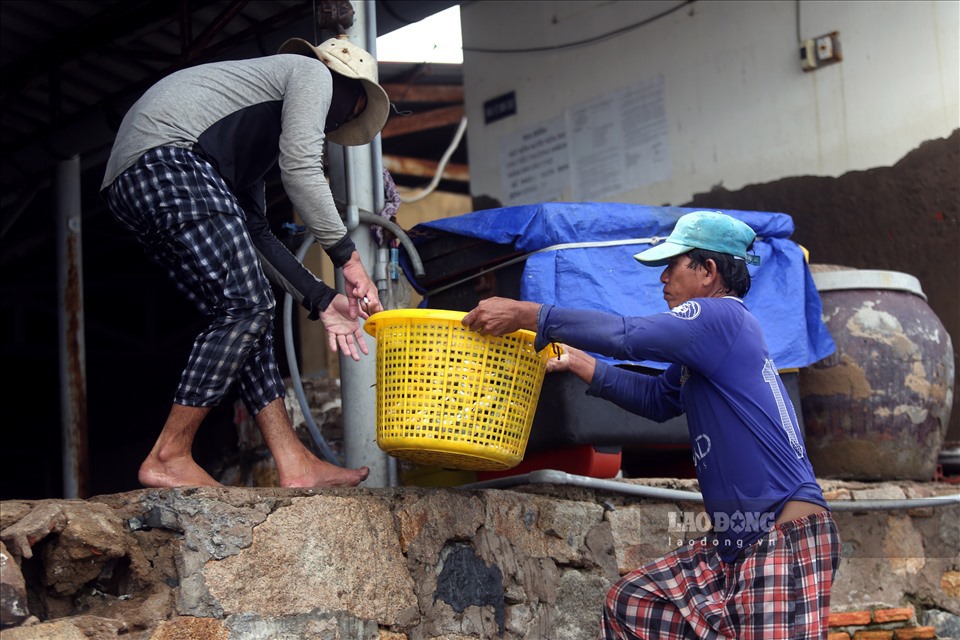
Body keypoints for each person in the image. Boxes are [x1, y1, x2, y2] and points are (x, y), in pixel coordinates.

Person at [462, 211, 841, 639]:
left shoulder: (717, 316)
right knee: (634, 602)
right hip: (737, 543)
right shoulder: (708, 343)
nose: (662, 279)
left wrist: (529, 314)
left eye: (672, 265)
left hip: (780, 534)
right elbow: (656, 400)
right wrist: (579, 360)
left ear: (708, 271)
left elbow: (629, 335)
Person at [100, 36, 392, 489]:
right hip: (167, 158)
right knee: (247, 305)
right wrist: (348, 259)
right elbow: (301, 169)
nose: (336, 125)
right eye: (349, 113)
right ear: (346, 91)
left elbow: (256, 233)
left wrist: (321, 297)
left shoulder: (246, 150)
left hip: (136, 180)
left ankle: (292, 460)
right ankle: (169, 453)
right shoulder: (312, 72)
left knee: (244, 314)